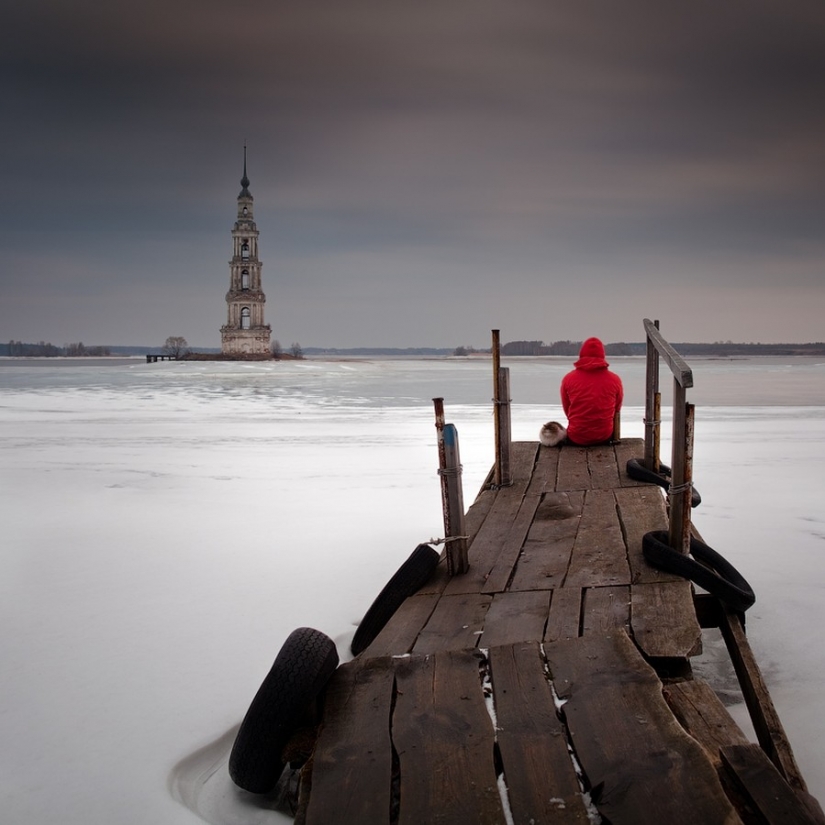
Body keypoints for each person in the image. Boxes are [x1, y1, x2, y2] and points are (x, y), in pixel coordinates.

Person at [540, 337, 623, 447]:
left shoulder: (568, 379)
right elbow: (616, 408)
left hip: (577, 437)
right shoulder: (615, 380)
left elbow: (567, 409)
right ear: (602, 355)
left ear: (581, 354)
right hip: (604, 436)